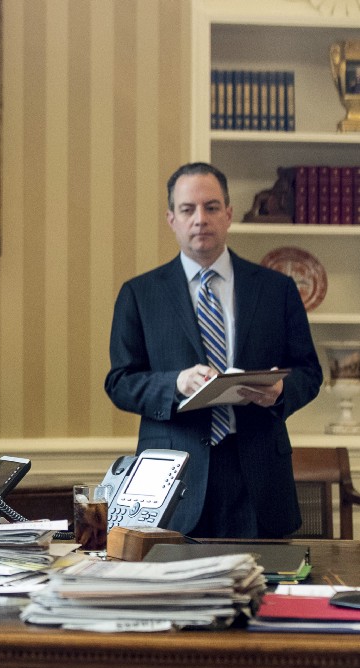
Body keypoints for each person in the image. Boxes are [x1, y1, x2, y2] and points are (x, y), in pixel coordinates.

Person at [105, 162, 322, 539]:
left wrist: (280, 391)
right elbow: (120, 382)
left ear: (229, 214)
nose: (200, 219)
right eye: (188, 210)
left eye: (211, 207)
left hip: (258, 476)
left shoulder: (276, 289)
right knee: (174, 597)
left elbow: (308, 372)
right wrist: (176, 383)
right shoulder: (140, 294)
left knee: (264, 595)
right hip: (173, 482)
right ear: (171, 218)